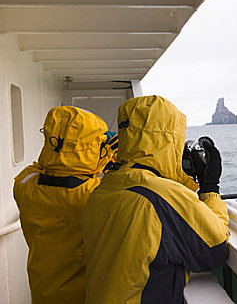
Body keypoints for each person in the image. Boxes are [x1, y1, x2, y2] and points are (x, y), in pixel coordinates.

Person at [83, 95, 229, 304]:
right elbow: (214, 250)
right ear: (170, 141)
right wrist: (210, 187)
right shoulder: (161, 196)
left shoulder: (104, 187)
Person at [13, 106, 118, 304]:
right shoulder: (100, 193)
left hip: (43, 293)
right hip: (86, 296)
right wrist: (108, 156)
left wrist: (57, 153)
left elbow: (35, 169)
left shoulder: (25, 186)